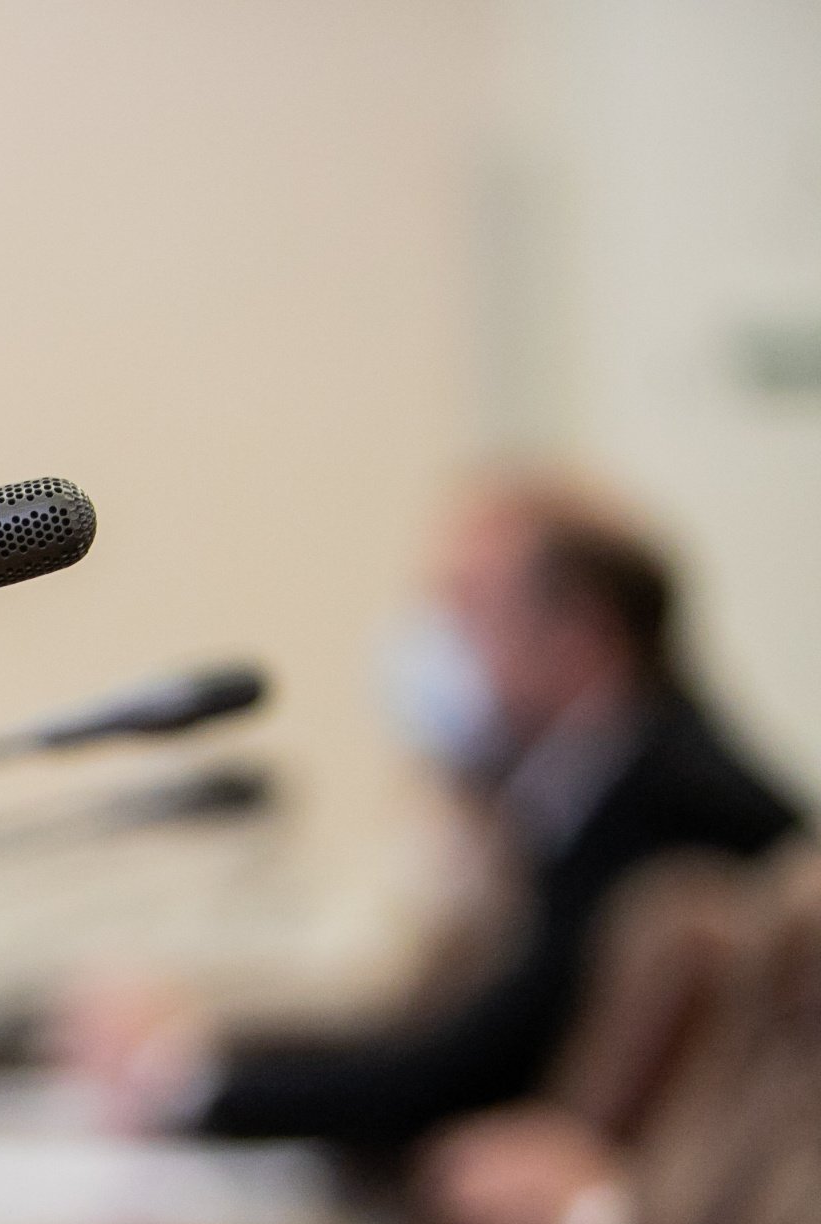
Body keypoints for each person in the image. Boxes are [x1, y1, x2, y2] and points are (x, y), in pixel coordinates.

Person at [76, 476, 800, 1151]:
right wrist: (211, 1050)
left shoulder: (670, 809)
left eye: (464, 609)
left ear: (580, 636)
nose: (433, 648)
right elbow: (426, 1025)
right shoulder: (593, 778)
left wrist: (195, 1084)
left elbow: (479, 1069)